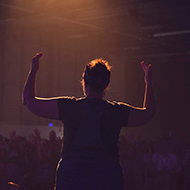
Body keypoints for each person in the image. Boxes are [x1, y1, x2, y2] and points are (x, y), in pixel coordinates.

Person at [22, 52, 156, 190]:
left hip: (71, 179)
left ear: (84, 81)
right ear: (106, 85)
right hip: (107, 179)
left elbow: (28, 101)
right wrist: (148, 82)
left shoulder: (69, 107)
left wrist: (33, 71)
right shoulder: (116, 111)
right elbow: (148, 113)